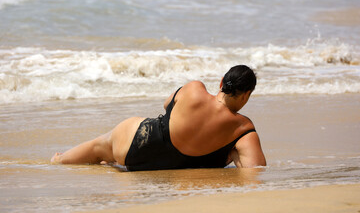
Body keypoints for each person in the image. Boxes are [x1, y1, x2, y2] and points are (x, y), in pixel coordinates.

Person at [51, 65, 266, 171]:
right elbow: (255, 172)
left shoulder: (194, 88)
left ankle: (59, 160)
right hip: (170, 166)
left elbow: (166, 105)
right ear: (246, 94)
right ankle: (108, 162)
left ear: (221, 83)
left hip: (140, 145)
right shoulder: (243, 129)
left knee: (101, 146)